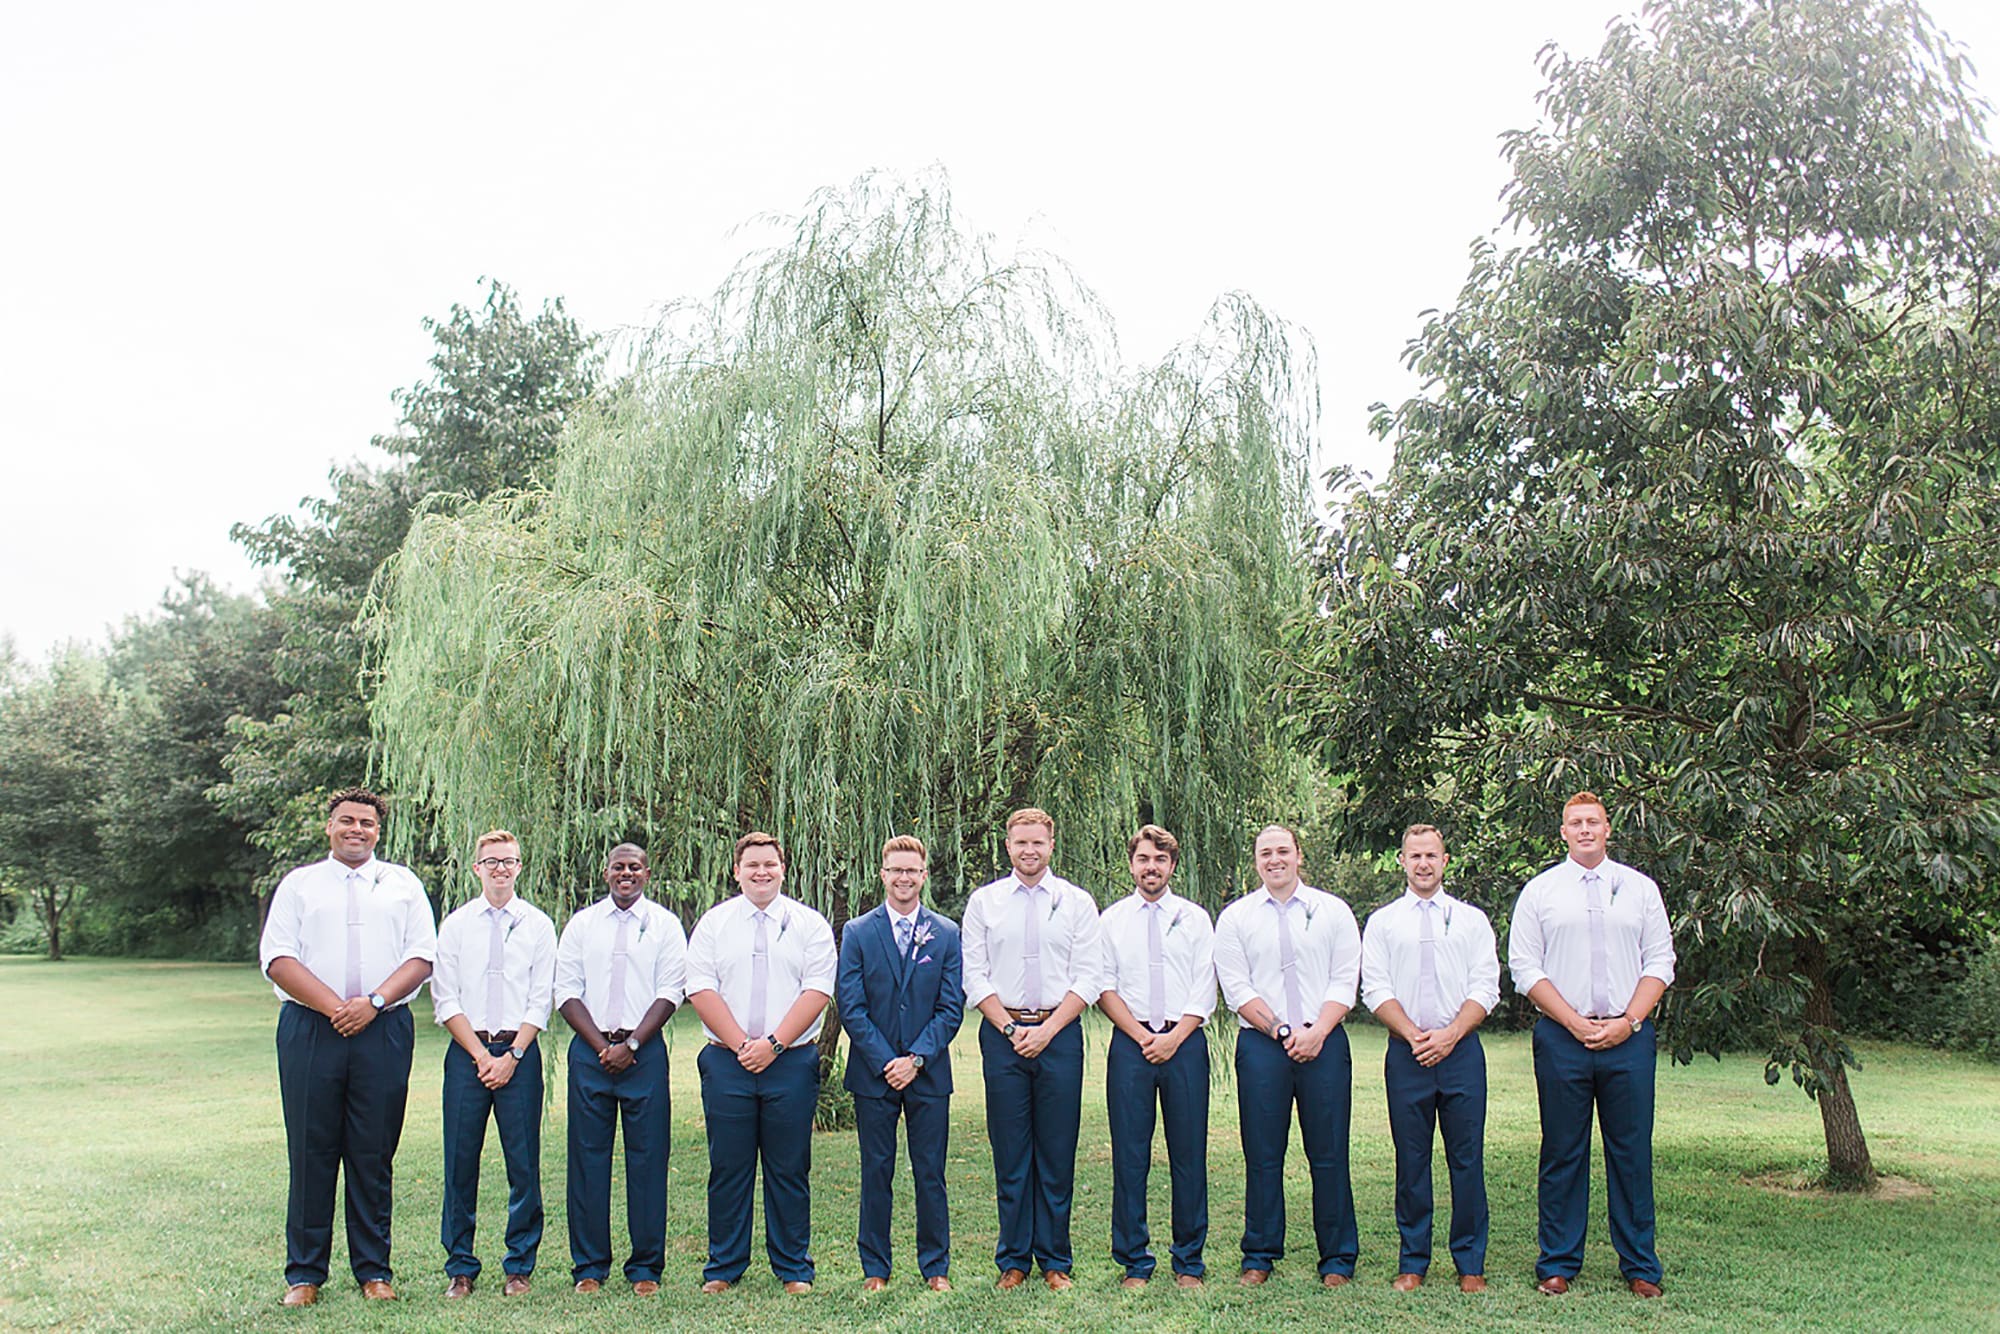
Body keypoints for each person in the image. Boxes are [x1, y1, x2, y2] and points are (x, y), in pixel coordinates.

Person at [259, 787, 437, 1307]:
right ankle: (305, 1274)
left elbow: (422, 956)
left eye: (366, 822)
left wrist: (373, 1003)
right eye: (346, 821)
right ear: (329, 827)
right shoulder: (300, 885)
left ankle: (374, 1270)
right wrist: (338, 1006)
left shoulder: (402, 884)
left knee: (372, 1150)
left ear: (378, 831)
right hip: (311, 1027)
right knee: (311, 1149)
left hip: (383, 1028)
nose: (356, 829)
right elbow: (278, 957)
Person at [1508, 792, 1675, 1299]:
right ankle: (1557, 1262)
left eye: (1593, 822)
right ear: (1562, 832)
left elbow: (1660, 961)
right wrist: (1574, 1022)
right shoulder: (1540, 892)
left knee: (1630, 1151)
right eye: (1575, 823)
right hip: (1562, 1038)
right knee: (1562, 1150)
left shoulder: (1640, 889)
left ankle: (1640, 1265)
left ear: (1608, 829)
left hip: (1628, 1037)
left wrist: (1630, 1020)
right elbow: (1525, 967)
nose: (1584, 830)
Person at [686, 832, 838, 1295]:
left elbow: (817, 991)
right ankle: (723, 1267)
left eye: (770, 864)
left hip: (790, 1061)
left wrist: (772, 1044)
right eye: (752, 864)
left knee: (789, 1166)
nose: (761, 872)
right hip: (726, 1060)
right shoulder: (714, 924)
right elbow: (700, 988)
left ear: (782, 869)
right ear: (736, 871)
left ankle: (794, 1267)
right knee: (728, 1166)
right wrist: (740, 1046)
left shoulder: (810, 924)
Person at [1212, 823, 1361, 1288]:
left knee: (1330, 1152)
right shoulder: (1236, 918)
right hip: (1262, 1045)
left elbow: (1344, 979)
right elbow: (1236, 986)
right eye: (1265, 853)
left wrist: (1317, 1031)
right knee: (1262, 1153)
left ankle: (1337, 1258)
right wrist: (1279, 1029)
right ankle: (1259, 1254)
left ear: (1299, 855)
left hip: (1325, 1039)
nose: (1274, 859)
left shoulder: (1333, 911)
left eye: (1282, 851)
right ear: (1256, 861)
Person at [960, 807, 1103, 1291]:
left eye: (1037, 842)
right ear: (1007, 846)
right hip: (1003, 1037)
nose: (1029, 850)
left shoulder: (1077, 902)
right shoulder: (985, 902)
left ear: (1051, 843)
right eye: (1021, 842)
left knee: (1057, 1152)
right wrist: (1009, 1029)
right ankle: (1014, 1260)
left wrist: (1048, 1029)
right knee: (1011, 1152)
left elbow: (1089, 976)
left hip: (1059, 1035)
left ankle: (1056, 1260)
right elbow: (974, 975)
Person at [1359, 824, 1499, 1294]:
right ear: (1402, 861)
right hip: (1406, 1052)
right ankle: (1413, 1261)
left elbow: (1485, 986)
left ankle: (1470, 1263)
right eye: (1414, 855)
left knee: (1467, 1159)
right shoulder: (1383, 922)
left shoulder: (1471, 920)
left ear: (1445, 860)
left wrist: (1452, 1033)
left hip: (1460, 1053)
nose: (1423, 863)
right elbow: (1374, 987)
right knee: (1412, 1160)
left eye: (1431, 855)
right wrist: (1415, 1035)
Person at [553, 843, 687, 1297]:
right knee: (587, 1161)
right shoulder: (582, 924)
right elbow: (566, 990)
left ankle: (646, 1267)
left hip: (643, 1053)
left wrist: (630, 1045)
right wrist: (602, 1046)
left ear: (647, 874)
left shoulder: (665, 924)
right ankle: (589, 1266)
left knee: (648, 1161)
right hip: (591, 1052)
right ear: (606, 872)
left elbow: (671, 990)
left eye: (634, 867)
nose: (625, 873)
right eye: (618, 867)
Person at [431, 829, 557, 1298]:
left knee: (523, 1163)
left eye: (509, 860)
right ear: (476, 868)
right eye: (492, 861)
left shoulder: (539, 925)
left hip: (520, 1054)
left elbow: (541, 997)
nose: (501, 868)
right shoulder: (457, 924)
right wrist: (482, 1056)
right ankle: (460, 1267)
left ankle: (519, 1265)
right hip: (468, 1055)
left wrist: (513, 1055)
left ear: (520, 867)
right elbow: (445, 998)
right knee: (460, 1162)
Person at [837, 834, 965, 1292]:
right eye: (896, 870)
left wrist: (916, 1059)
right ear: (883, 874)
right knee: (877, 1171)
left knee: (930, 1172)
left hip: (928, 1074)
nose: (904, 878)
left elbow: (951, 1008)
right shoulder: (857, 932)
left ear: (924, 875)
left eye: (912, 870)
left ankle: (936, 1267)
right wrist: (888, 1060)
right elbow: (850, 1006)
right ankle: (875, 1267)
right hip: (874, 1075)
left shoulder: (947, 934)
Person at [1096, 824, 1215, 1289]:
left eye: (1160, 860)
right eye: (1144, 859)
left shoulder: (1195, 918)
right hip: (1131, 1044)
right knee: (1130, 1155)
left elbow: (1206, 985)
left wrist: (1173, 1037)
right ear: (1132, 864)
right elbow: (1104, 986)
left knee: (1189, 1154)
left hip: (1184, 1043)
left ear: (1172, 866)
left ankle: (1189, 1261)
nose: (1152, 867)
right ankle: (1135, 1261)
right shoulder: (1112, 921)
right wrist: (1142, 1035)